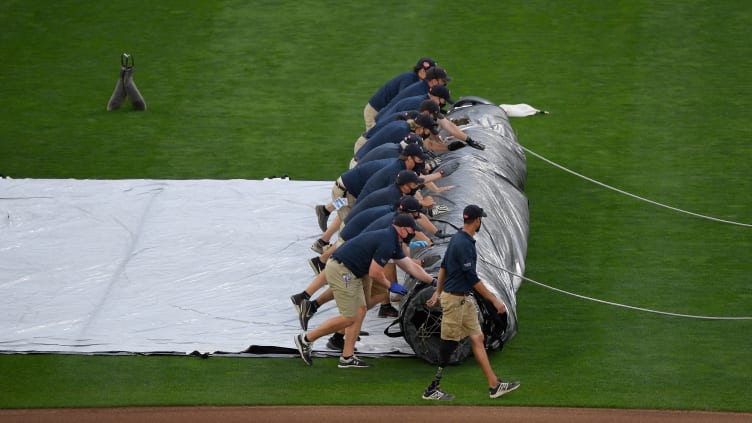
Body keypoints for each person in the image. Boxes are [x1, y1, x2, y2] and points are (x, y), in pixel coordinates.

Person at [294, 214, 438, 368]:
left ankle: (347, 357)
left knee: (361, 310)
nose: (413, 233)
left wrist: (434, 281)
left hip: (354, 271)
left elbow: (410, 266)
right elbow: (375, 273)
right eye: (412, 230)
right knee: (349, 317)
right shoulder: (388, 241)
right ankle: (306, 339)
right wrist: (390, 286)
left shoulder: (393, 240)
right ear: (403, 230)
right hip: (343, 271)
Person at [421, 205, 521, 400]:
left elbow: (443, 266)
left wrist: (437, 292)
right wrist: (494, 300)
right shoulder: (464, 243)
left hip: (463, 300)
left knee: (478, 338)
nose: (480, 221)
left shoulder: (458, 237)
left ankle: (494, 385)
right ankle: (432, 388)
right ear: (476, 221)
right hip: (455, 301)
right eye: (480, 219)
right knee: (448, 344)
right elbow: (472, 277)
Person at [363, 57, 436, 130]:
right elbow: (402, 100)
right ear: (422, 71)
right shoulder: (410, 79)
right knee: (372, 135)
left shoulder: (416, 79)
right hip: (375, 110)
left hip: (383, 109)